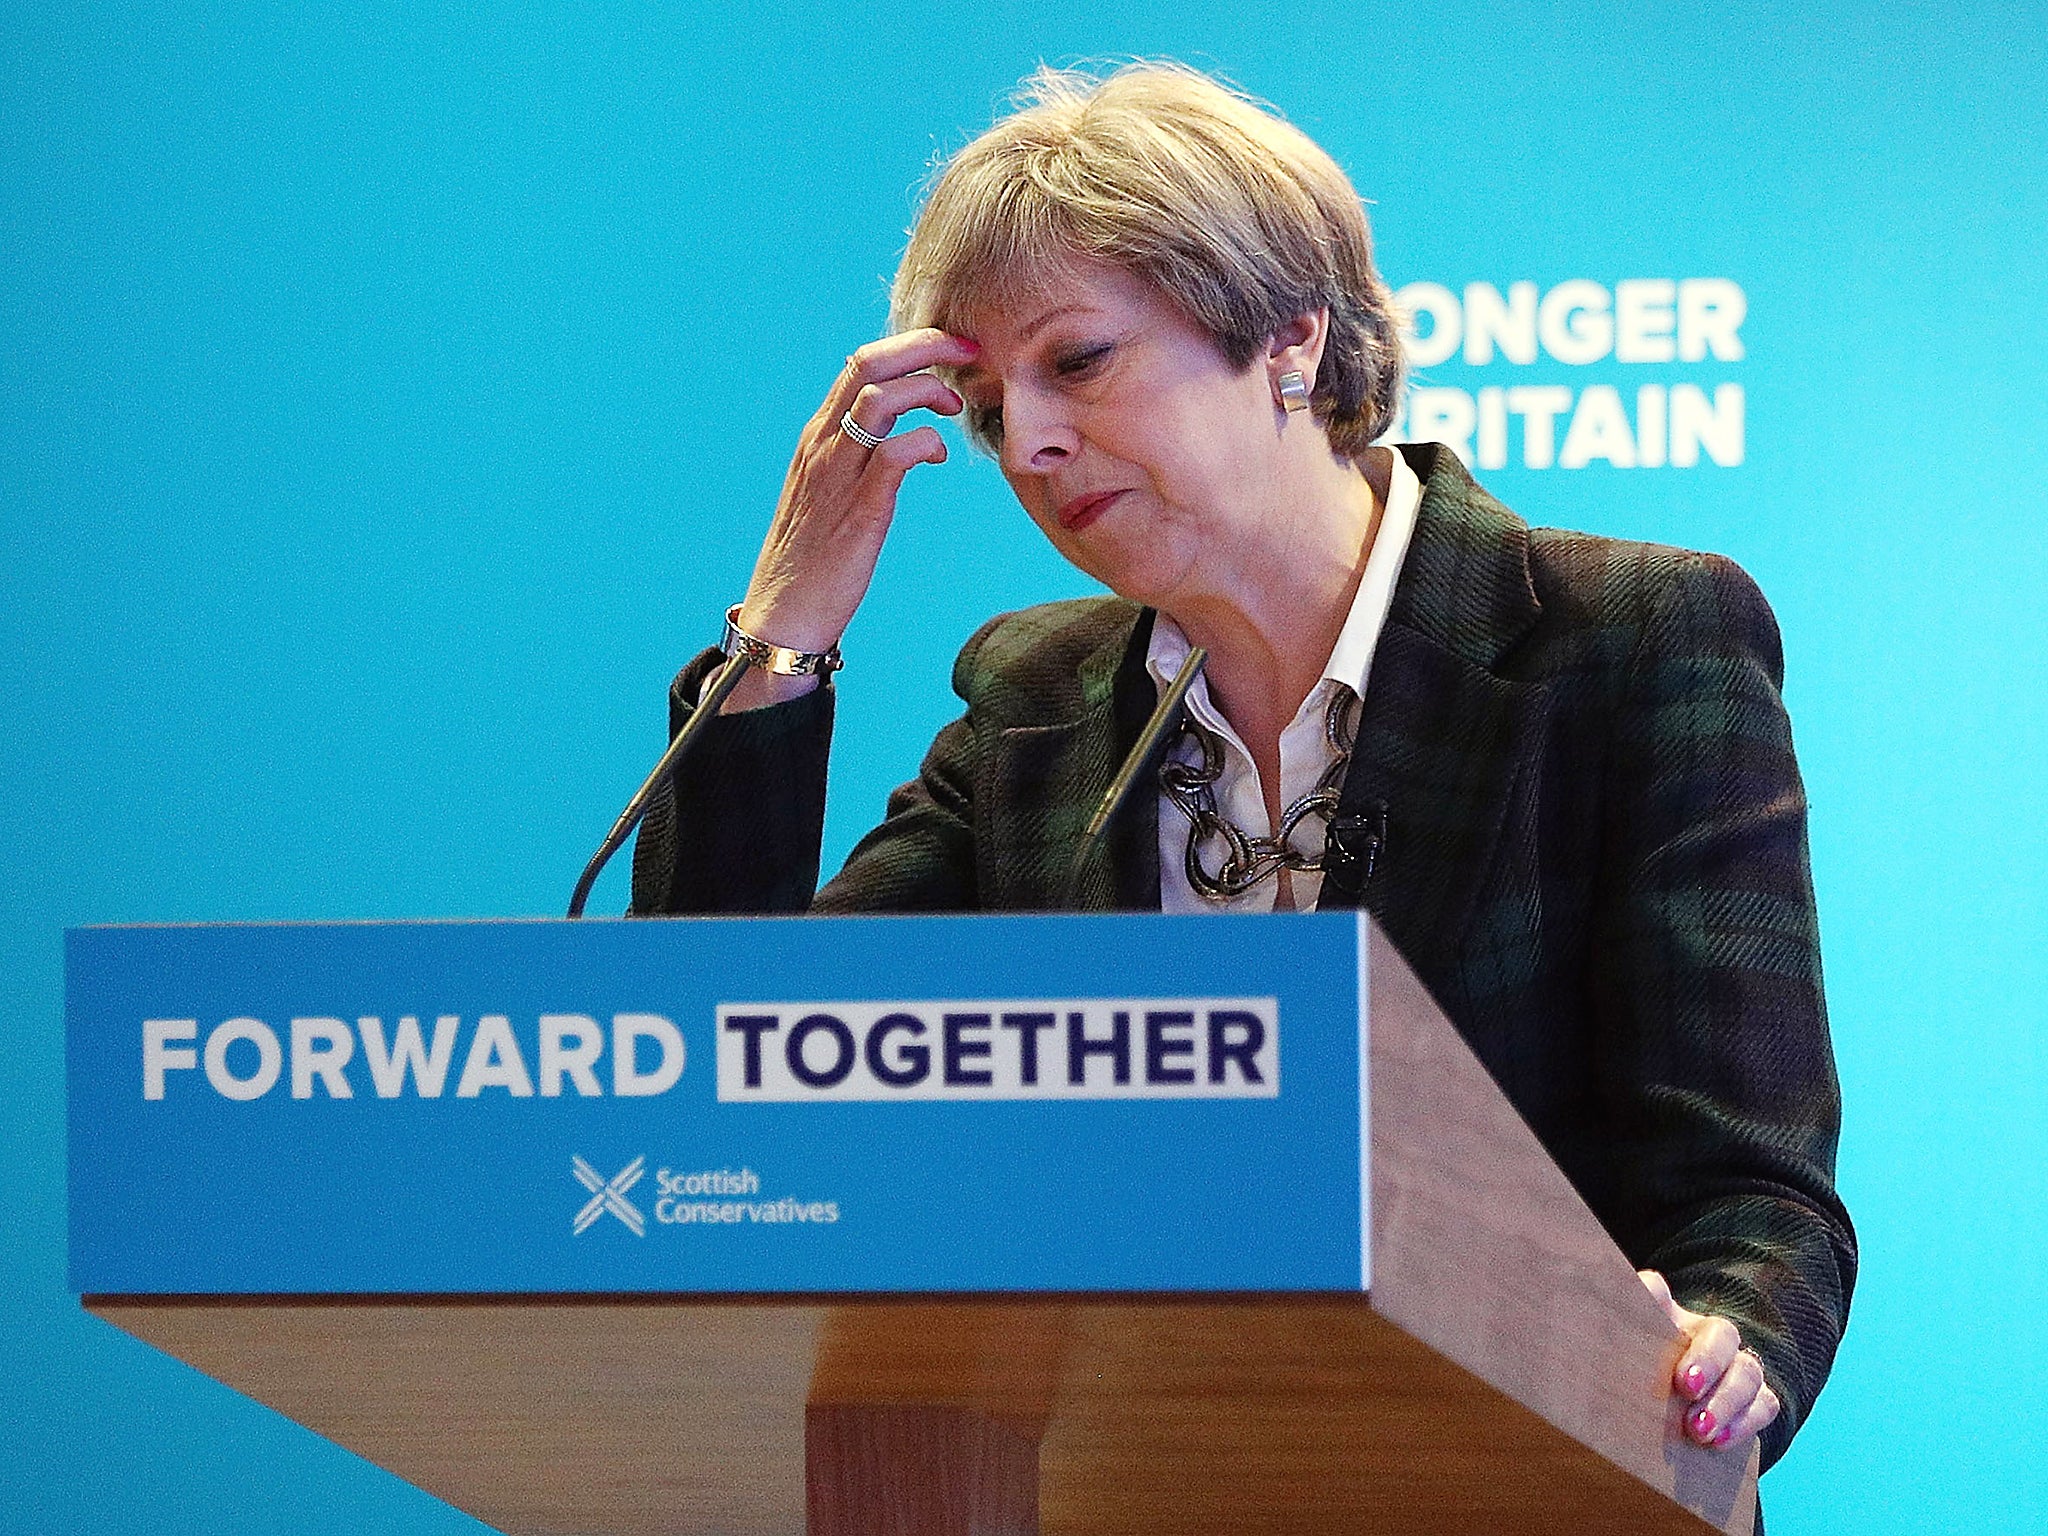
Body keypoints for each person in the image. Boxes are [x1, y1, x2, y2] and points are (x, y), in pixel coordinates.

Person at [630, 61, 1854, 1472]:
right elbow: (724, 1067)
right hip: (1126, 1474)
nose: (1026, 444)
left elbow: (1751, 1193)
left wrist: (1720, 1345)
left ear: (1286, 337)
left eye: (1076, 363)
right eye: (983, 409)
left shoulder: (1628, 641)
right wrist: (783, 632)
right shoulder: (1033, 696)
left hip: (1518, 1473)